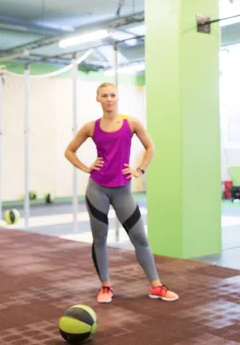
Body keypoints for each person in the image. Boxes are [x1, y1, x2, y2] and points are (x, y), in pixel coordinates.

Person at [64, 82, 178, 304]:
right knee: (100, 238)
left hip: (123, 190)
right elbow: (69, 151)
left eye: (112, 95)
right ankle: (106, 286)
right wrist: (86, 167)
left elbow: (150, 147)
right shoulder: (90, 127)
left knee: (140, 239)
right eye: (104, 95)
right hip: (97, 189)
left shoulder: (132, 123)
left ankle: (156, 286)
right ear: (98, 99)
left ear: (118, 98)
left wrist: (140, 170)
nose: (109, 99)